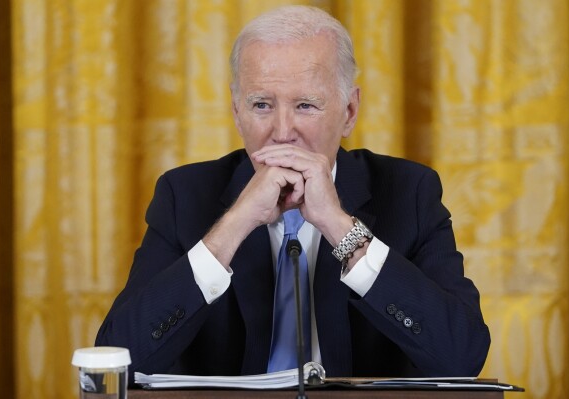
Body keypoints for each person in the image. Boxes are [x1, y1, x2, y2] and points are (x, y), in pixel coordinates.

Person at [96, 5, 490, 379]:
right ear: (237, 112)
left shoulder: (410, 191)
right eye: (262, 105)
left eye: (305, 105)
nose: (283, 131)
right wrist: (233, 225)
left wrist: (340, 227)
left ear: (349, 112)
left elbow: (462, 354)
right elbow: (118, 360)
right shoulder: (184, 195)